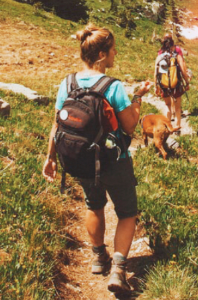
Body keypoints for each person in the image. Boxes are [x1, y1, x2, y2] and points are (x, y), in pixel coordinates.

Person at [43, 24, 152, 295]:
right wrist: (138, 97)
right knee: (127, 213)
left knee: (94, 205)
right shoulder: (112, 86)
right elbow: (129, 126)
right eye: (113, 49)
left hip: (80, 160)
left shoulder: (67, 83)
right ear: (102, 54)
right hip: (114, 160)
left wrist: (50, 158)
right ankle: (118, 268)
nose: (116, 54)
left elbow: (57, 124)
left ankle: (97, 257)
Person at [154, 34, 191, 131]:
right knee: (177, 108)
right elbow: (183, 70)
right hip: (176, 84)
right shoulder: (176, 55)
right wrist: (186, 82)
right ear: (172, 42)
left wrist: (156, 87)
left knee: (168, 106)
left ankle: (167, 127)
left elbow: (155, 73)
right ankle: (177, 127)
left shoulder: (159, 55)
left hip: (163, 85)